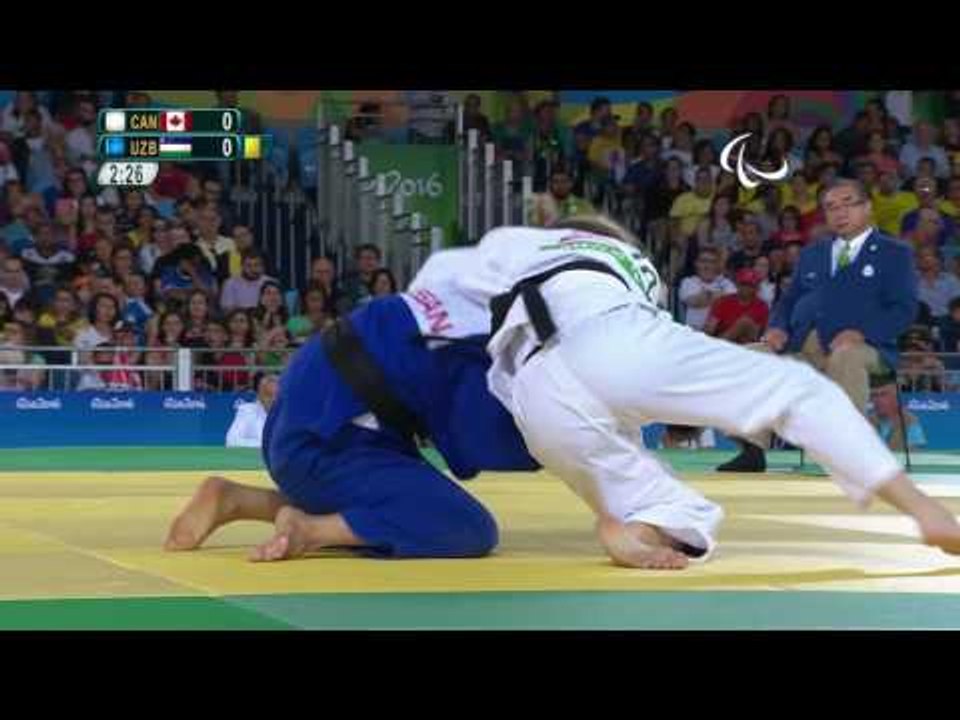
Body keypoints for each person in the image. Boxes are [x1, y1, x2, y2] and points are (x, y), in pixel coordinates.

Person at [387, 215, 960, 568]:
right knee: (797, 388)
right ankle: (924, 510)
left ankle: (628, 519)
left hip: (535, 399)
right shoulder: (632, 263)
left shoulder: (513, 247)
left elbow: (434, 287)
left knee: (668, 498)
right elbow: (633, 374)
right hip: (612, 337)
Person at [719, 179, 918, 473]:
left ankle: (845, 453)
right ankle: (752, 448)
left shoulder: (894, 252)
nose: (840, 212)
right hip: (804, 346)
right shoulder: (813, 253)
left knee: (846, 356)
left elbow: (904, 309)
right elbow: (788, 300)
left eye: (848, 203)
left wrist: (862, 333)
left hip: (867, 348)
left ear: (867, 207)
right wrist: (776, 327)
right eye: (831, 207)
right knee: (752, 354)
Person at [868, 367, 926, 451]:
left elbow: (916, 452)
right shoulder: (867, 422)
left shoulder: (909, 421)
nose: (877, 400)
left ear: (895, 398)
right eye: (874, 395)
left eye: (883, 395)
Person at [225, 374, 279, 448]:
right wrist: (267, 445)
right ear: (260, 396)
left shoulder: (288, 415)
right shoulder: (247, 411)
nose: (273, 400)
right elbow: (231, 441)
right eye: (269, 395)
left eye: (277, 396)